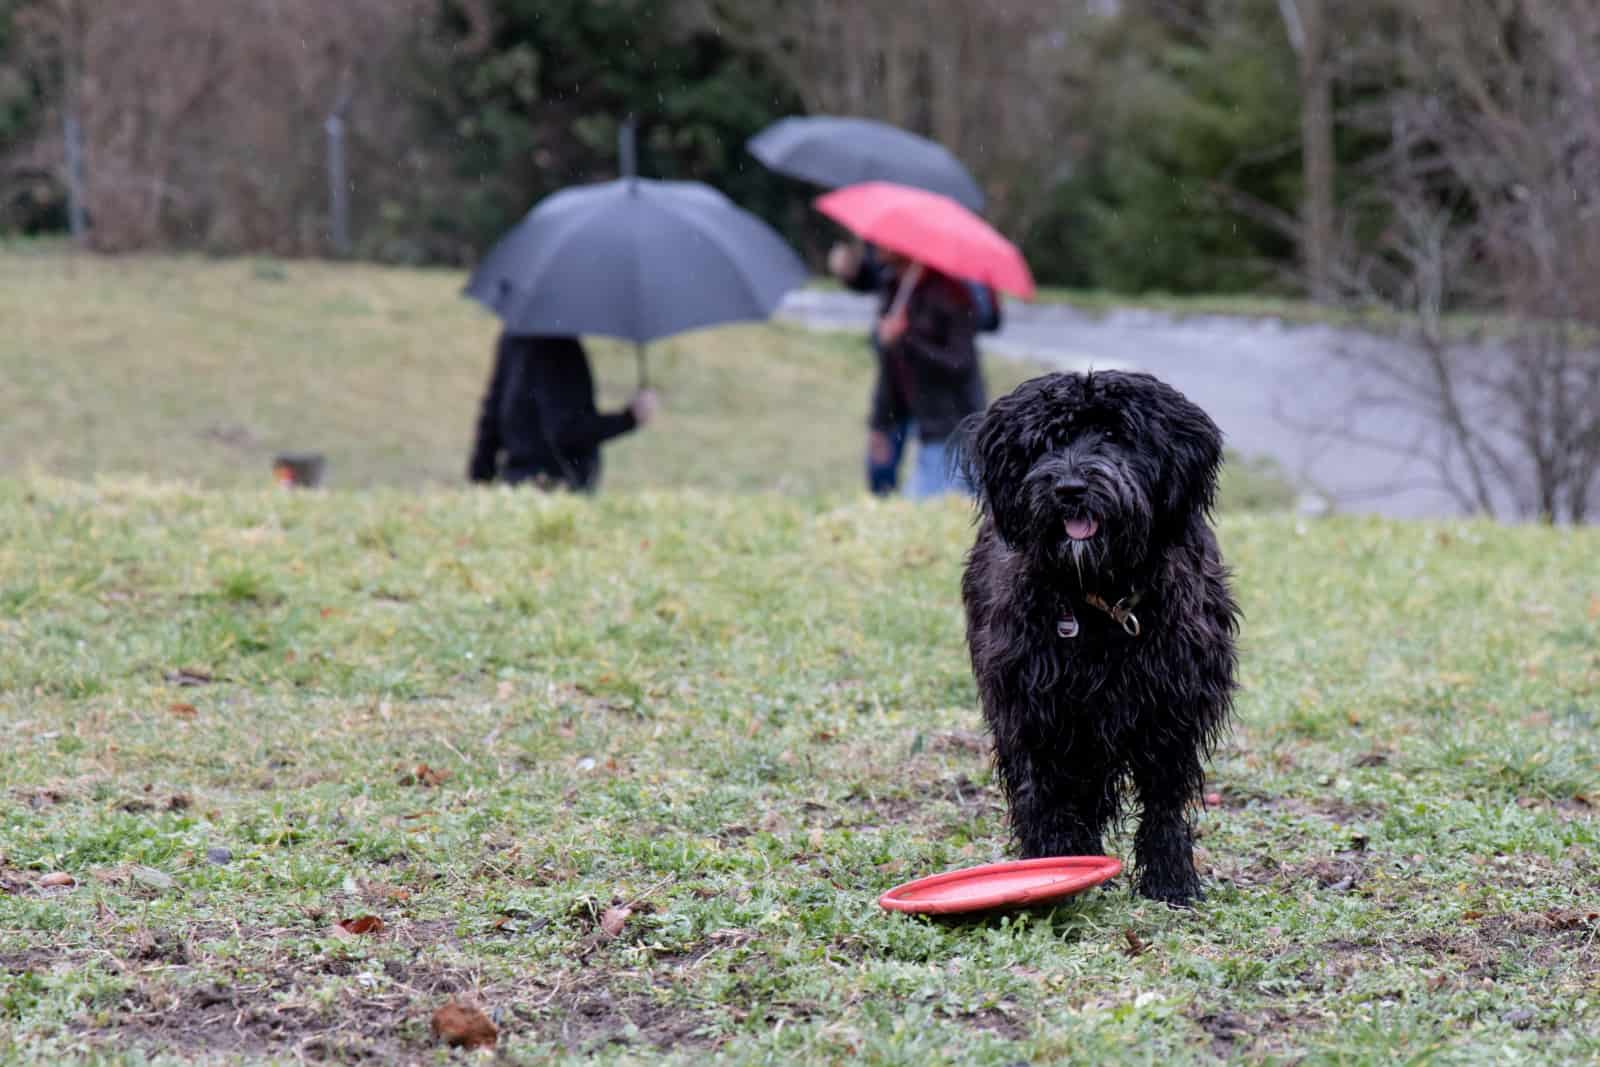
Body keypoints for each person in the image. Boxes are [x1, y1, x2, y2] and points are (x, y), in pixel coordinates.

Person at [828, 240, 1000, 496]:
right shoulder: (894, 287)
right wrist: (880, 426)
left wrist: (907, 338)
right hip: (906, 410)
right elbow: (889, 371)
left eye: (885, 240)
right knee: (881, 487)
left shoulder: (950, 292)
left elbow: (959, 364)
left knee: (936, 505)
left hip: (951, 421)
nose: (876, 245)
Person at [468, 333, 657, 491]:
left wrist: (480, 475)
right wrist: (629, 418)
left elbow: (492, 413)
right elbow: (567, 431)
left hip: (514, 481)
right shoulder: (561, 349)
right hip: (557, 487)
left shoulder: (514, 336)